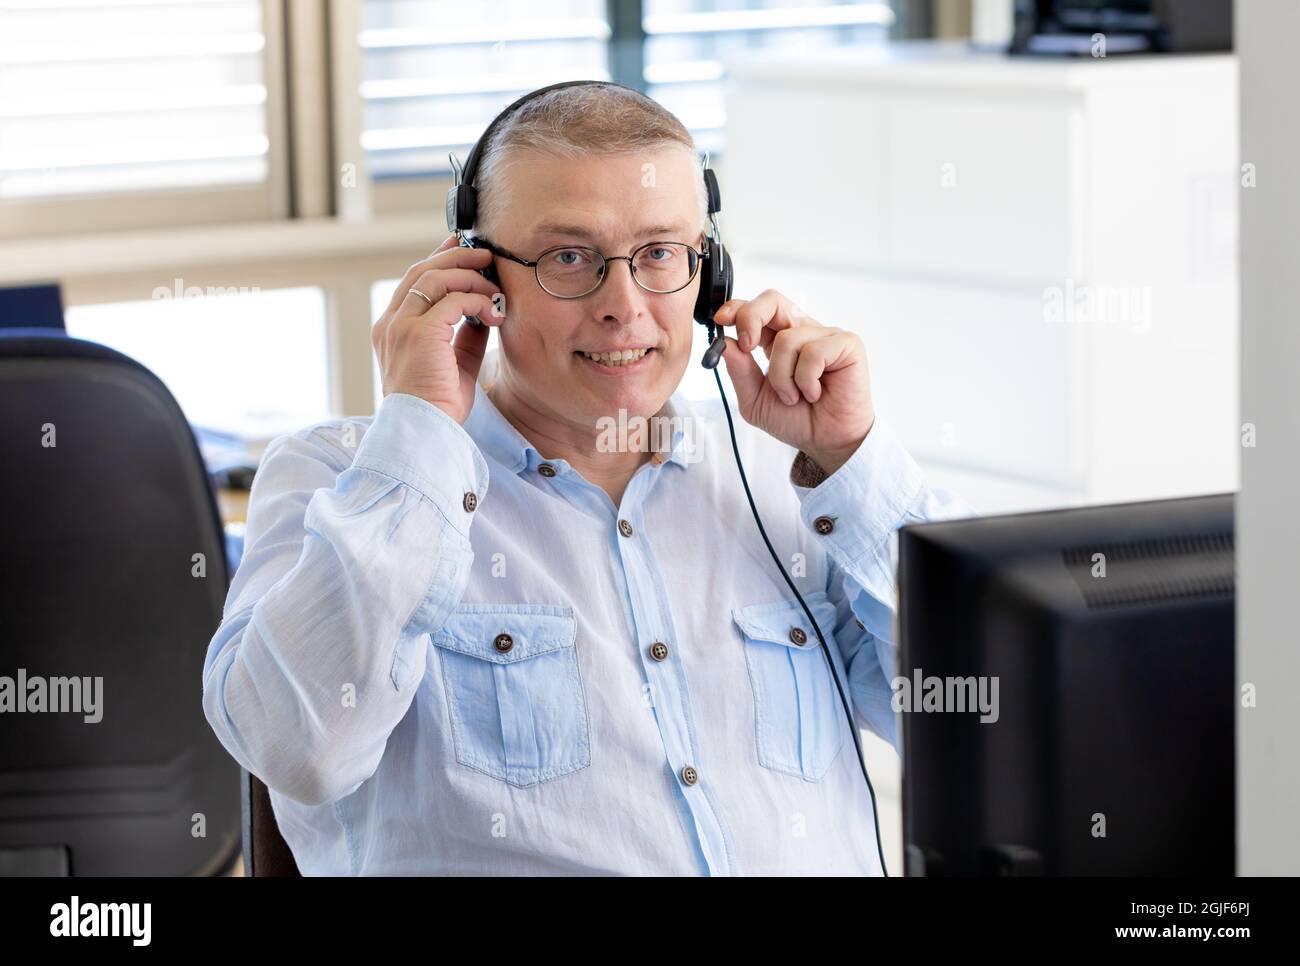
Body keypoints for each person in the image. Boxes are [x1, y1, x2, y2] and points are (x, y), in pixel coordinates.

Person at [201, 82, 972, 875]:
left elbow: (982, 726)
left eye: (660, 254)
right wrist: (421, 429)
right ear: (475, 277)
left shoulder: (793, 481)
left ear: (710, 275)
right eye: (570, 257)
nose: (625, 306)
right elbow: (298, 751)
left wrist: (853, 460)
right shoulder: (342, 478)